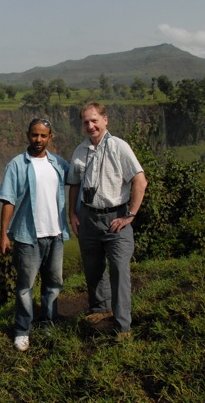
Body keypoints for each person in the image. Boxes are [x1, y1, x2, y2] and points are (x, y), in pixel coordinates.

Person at [67, 102, 147, 338]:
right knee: (93, 267)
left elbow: (140, 181)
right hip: (88, 216)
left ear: (105, 120)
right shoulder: (80, 151)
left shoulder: (119, 147)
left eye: (94, 120)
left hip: (116, 217)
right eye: (85, 122)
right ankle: (101, 309)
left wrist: (130, 215)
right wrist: (72, 213)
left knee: (119, 270)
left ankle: (123, 327)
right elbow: (73, 184)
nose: (90, 126)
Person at [0, 117, 70, 351]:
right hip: (28, 236)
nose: (38, 139)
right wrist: (4, 235)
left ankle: (48, 322)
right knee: (25, 286)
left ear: (51, 138)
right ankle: (22, 330)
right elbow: (8, 200)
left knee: (54, 282)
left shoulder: (58, 163)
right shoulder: (17, 165)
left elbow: (78, 179)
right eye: (34, 135)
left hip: (55, 234)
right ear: (27, 135)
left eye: (43, 135)